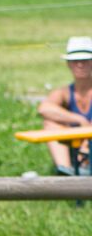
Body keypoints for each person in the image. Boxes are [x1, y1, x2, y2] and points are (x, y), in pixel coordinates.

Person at [36, 36, 92, 175]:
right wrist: (79, 120)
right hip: (77, 145)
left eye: (84, 60)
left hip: (85, 146)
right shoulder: (65, 92)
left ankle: (82, 166)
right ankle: (66, 170)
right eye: (75, 61)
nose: (80, 64)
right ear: (68, 64)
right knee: (50, 123)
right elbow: (44, 109)